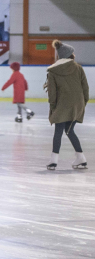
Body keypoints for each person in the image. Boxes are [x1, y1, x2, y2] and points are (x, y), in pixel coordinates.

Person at [46, 40, 88, 171]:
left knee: (59, 131)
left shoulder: (53, 71)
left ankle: (53, 161)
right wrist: (82, 104)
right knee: (69, 130)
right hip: (77, 104)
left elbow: (52, 93)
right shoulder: (78, 68)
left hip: (61, 105)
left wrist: (53, 107)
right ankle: (81, 158)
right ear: (70, 55)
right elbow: (85, 88)